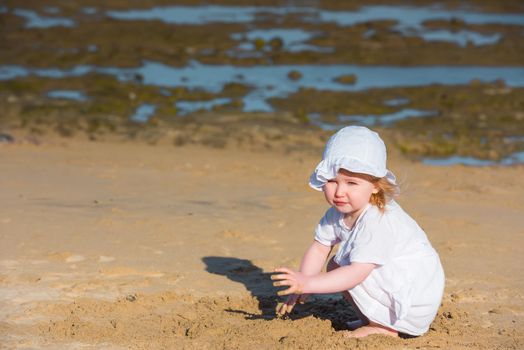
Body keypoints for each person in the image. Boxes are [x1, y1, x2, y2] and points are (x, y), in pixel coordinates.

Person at [271, 126, 445, 338]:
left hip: (413, 300)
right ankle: (371, 319)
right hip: (394, 286)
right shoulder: (337, 213)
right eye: (332, 181)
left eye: (352, 183)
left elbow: (357, 274)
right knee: (336, 263)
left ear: (375, 186)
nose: (339, 192)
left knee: (346, 266)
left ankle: (384, 326)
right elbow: (319, 248)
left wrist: (308, 282)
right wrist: (303, 284)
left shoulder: (378, 220)